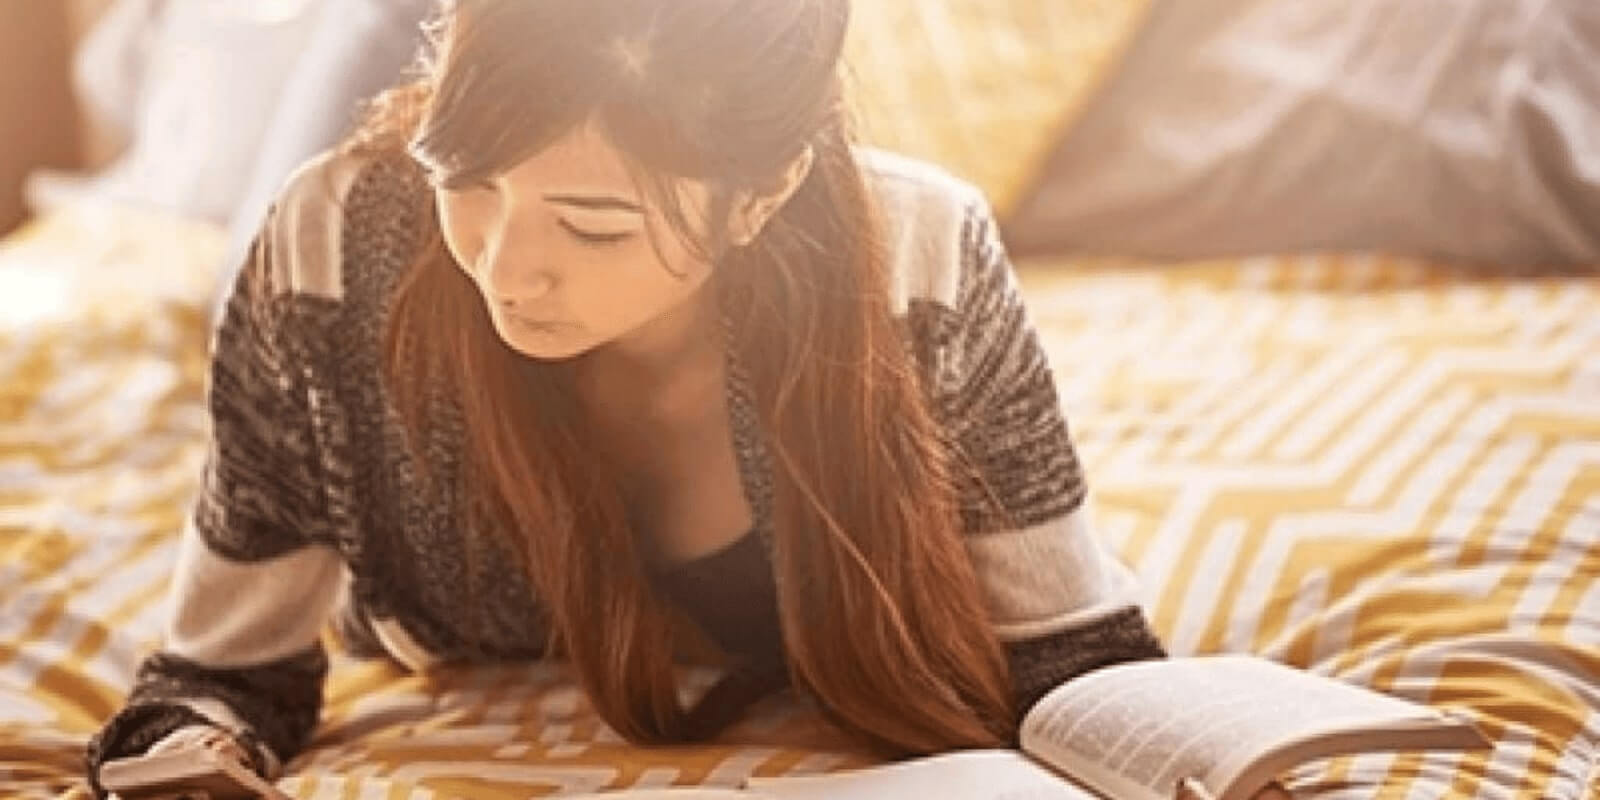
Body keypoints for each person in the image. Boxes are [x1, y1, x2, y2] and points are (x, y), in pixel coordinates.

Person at [85, 0, 1175, 794]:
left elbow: (1069, 657)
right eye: (466, 182)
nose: (506, 268)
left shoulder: (918, 257)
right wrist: (187, 761)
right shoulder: (325, 247)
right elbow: (218, 673)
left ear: (766, 191)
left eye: (592, 223)